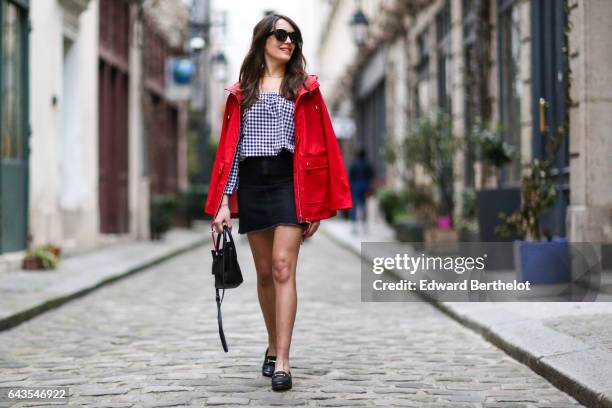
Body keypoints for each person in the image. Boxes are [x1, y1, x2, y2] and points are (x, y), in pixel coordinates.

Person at [204, 14, 353, 392]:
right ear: (262, 41)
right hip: (253, 185)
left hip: (290, 183)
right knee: (266, 274)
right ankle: (272, 344)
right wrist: (224, 201)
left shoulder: (305, 88)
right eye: (281, 35)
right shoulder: (242, 92)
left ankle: (283, 360)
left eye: (294, 37)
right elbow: (230, 152)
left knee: (284, 268)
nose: (289, 42)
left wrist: (316, 204)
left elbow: (321, 146)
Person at [348, 147, 374, 233]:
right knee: (364, 206)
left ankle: (354, 226)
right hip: (365, 186)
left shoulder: (354, 164)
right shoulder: (367, 164)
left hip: (355, 186)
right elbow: (371, 177)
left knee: (354, 207)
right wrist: (370, 189)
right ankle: (365, 225)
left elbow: (350, 176)